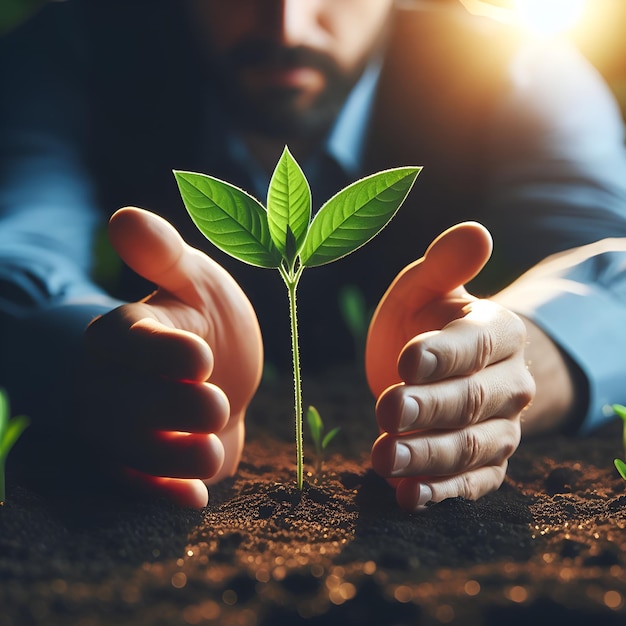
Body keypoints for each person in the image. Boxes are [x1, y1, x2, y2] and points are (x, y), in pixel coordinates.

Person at [2, 0, 626, 512]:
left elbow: (609, 255)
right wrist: (105, 357)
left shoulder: (513, 66)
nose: (287, 24)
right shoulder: (76, 49)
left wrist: (521, 354)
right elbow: (18, 245)